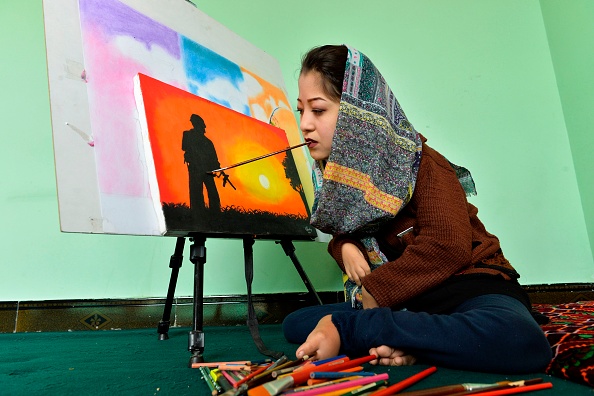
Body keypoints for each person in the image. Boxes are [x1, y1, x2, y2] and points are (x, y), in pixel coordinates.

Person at [282, 45, 552, 373]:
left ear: (359, 115)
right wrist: (344, 245)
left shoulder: (422, 163)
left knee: (518, 339)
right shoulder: (337, 179)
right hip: (409, 301)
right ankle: (415, 339)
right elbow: (345, 230)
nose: (305, 124)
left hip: (467, 284)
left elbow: (447, 247)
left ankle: (368, 332)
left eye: (318, 110)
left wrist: (373, 291)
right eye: (301, 111)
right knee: (295, 324)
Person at [182, 114, 221, 213]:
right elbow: (185, 147)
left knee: (212, 192)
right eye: (201, 126)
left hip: (207, 170)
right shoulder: (188, 135)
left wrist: (217, 167)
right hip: (195, 168)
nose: (203, 128)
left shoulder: (208, 142)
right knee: (196, 192)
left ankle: (215, 212)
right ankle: (198, 212)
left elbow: (214, 158)